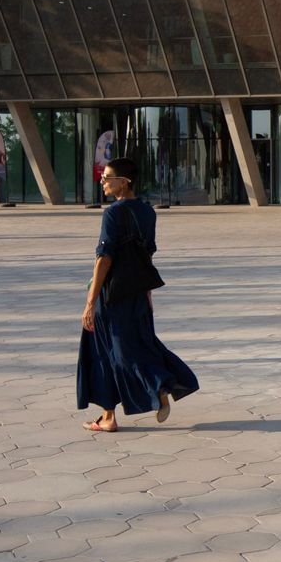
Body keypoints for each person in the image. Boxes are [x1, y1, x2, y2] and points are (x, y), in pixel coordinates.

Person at [78, 159, 199, 433]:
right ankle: (115, 412)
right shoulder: (147, 212)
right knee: (137, 344)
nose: (102, 181)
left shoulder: (112, 214)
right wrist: (146, 291)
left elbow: (104, 259)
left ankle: (155, 388)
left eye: (108, 177)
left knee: (106, 351)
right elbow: (147, 254)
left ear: (124, 181)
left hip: (111, 295)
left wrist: (89, 302)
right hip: (136, 292)